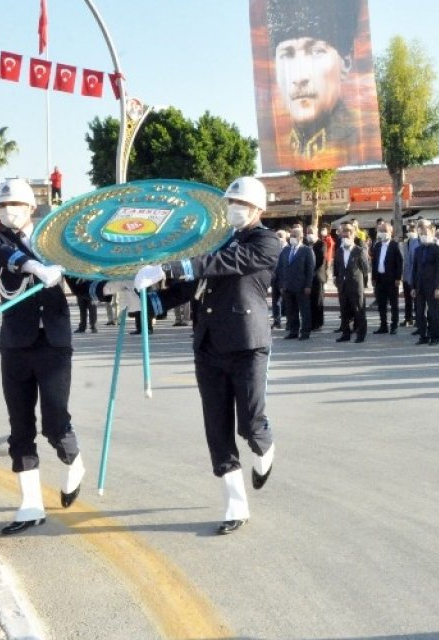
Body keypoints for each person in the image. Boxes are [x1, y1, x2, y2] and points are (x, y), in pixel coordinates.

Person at [131, 175, 279, 535]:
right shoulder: (217, 240)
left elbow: (218, 264)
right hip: (209, 344)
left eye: (241, 204)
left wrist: (167, 267)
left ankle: (264, 448)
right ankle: (235, 504)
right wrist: (146, 297)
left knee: (249, 421)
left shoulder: (266, 241)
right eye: (231, 203)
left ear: (258, 209)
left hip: (247, 342)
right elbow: (193, 285)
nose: (234, 209)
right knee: (217, 428)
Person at [0, 178, 103, 535]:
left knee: (53, 419)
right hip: (15, 342)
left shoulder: (54, 240)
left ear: (32, 207)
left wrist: (112, 288)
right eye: (3, 206)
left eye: (15, 205)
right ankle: (30, 503)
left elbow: (82, 281)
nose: (8, 212)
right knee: (19, 425)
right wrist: (33, 267)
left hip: (53, 342)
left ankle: (72, 460)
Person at [265, 0, 374, 167]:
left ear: (345, 62)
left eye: (316, 51)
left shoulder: (362, 138)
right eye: (287, 54)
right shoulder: (279, 148)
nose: (299, 77)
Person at [332, 222, 369, 343]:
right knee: (344, 311)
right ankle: (345, 333)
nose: (345, 237)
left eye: (348, 235)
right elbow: (336, 267)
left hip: (356, 286)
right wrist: (336, 278)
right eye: (344, 235)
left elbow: (365, 269)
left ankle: (361, 334)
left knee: (358, 310)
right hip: (343, 286)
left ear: (353, 235)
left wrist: (362, 283)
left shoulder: (359, 251)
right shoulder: (339, 251)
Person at [277, 226, 315, 340]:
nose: (292, 238)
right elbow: (281, 268)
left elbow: (310, 269)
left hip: (302, 286)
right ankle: (293, 331)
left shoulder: (307, 250)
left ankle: (305, 332)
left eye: (294, 236)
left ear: (301, 237)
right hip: (288, 286)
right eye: (291, 236)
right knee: (291, 310)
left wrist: (308, 285)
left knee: (304, 310)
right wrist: (281, 285)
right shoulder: (285, 250)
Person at [412, 222, 439, 345]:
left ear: (432, 233)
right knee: (420, 313)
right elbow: (415, 269)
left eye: (425, 233)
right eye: (421, 234)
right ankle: (423, 335)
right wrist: (413, 286)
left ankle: (435, 336)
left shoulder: (438, 249)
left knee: (434, 313)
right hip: (420, 286)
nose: (423, 236)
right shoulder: (418, 250)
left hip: (433, 286)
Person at [370, 222, 403, 335]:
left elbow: (399, 262)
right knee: (381, 304)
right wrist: (373, 278)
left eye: (385, 231)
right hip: (380, 279)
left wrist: (398, 278)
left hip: (392, 279)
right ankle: (383, 325)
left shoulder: (395, 245)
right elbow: (374, 262)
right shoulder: (377, 245)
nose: (383, 233)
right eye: (381, 231)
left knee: (394, 304)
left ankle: (394, 325)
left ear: (391, 232)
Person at [307, 224, 329, 332]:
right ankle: (310, 322)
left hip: (317, 276)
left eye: (312, 232)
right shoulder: (305, 244)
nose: (310, 235)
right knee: (309, 301)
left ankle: (318, 323)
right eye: (308, 232)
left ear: (316, 233)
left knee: (318, 300)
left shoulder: (321, 244)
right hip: (307, 277)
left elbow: (320, 260)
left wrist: (312, 271)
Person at [401, 225, 420, 328]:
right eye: (409, 230)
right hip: (406, 275)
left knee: (417, 299)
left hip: (415, 275)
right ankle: (408, 318)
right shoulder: (405, 243)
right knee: (407, 298)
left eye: (412, 230)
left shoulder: (418, 242)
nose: (410, 232)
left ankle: (418, 318)